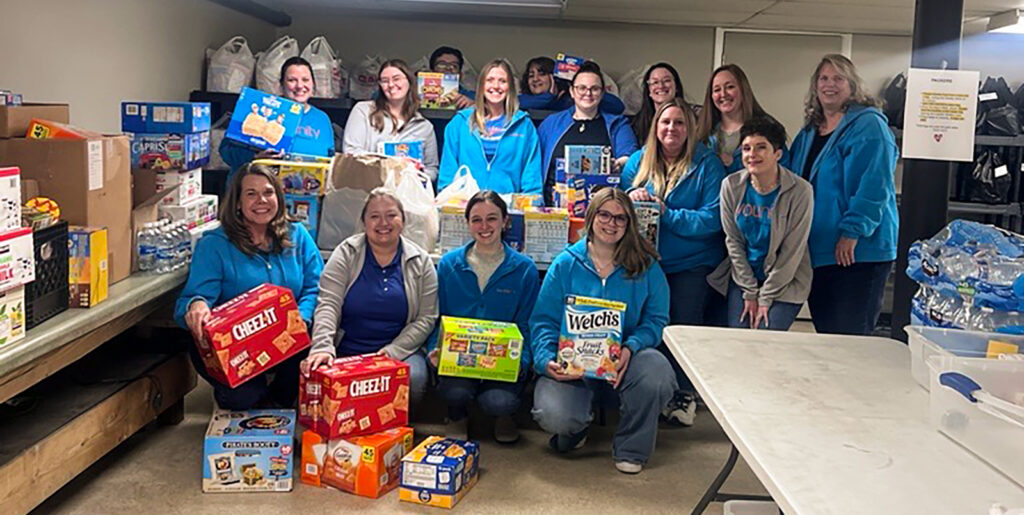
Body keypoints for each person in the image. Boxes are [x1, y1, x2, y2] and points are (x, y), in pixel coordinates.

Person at [530, 187, 675, 475]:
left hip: (626, 362)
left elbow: (657, 319)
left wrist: (631, 346)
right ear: (591, 217)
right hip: (574, 367)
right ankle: (575, 430)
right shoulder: (565, 264)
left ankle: (632, 448)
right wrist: (546, 360)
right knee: (555, 413)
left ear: (629, 223)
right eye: (604, 215)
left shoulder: (646, 266)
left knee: (657, 373)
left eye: (620, 218)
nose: (611, 223)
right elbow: (543, 321)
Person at [175, 163, 324, 410]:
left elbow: (316, 287)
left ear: (278, 197)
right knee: (244, 399)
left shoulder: (297, 235)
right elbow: (193, 299)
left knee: (289, 390)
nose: (261, 200)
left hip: (289, 338)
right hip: (237, 348)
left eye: (268, 192)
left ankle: (278, 401)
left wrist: (300, 318)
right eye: (251, 194)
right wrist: (197, 305)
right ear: (237, 202)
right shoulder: (214, 244)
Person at [621, 97, 726, 427]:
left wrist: (667, 214)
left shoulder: (708, 165)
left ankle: (683, 392)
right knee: (643, 324)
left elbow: (712, 220)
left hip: (691, 263)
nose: (672, 128)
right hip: (645, 262)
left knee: (682, 326)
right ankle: (645, 390)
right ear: (656, 127)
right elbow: (617, 209)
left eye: (679, 122)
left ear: (690, 128)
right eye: (666, 122)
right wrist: (631, 198)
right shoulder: (638, 162)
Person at [786, 54, 899, 336]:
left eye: (838, 78)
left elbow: (874, 185)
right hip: (820, 249)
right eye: (823, 78)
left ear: (852, 85)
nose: (830, 85)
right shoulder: (809, 132)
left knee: (850, 339)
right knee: (828, 335)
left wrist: (852, 231)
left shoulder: (869, 126)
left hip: (857, 251)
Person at [303, 188, 437, 404]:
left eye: (391, 215)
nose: (383, 223)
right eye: (374, 216)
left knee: (413, 380)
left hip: (400, 351)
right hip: (347, 349)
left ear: (403, 221)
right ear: (364, 222)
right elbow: (328, 304)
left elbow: (426, 318)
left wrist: (392, 352)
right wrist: (323, 346)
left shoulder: (421, 262)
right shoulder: (346, 253)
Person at [427, 191, 540, 443]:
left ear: (505, 221)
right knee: (455, 392)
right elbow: (437, 316)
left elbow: (527, 324)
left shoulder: (524, 269)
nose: (484, 226)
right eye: (476, 220)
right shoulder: (448, 265)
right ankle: (456, 415)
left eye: (492, 218)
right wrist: (435, 349)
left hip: (502, 361)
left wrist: (521, 362)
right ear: (467, 223)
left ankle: (504, 415)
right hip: (458, 358)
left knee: (500, 401)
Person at [707, 117, 813, 331]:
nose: (752, 154)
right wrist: (749, 291)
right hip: (744, 276)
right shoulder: (731, 186)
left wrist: (765, 297)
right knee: (738, 334)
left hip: (785, 279)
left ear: (778, 154)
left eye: (761, 147)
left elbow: (792, 252)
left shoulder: (800, 190)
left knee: (766, 334)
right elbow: (734, 242)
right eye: (746, 148)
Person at [537, 61, 638, 205]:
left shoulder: (617, 124)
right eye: (582, 88)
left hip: (601, 208)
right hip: (554, 207)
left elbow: (631, 157)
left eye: (594, 88)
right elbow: (533, 161)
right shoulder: (551, 123)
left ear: (602, 93)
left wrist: (617, 164)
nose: (588, 93)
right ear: (572, 91)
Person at [438, 59, 542, 195]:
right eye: (490, 80)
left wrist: (532, 202)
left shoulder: (524, 125)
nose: (496, 86)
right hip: (465, 204)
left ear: (510, 87)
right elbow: (447, 174)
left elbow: (532, 178)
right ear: (481, 85)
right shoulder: (459, 123)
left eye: (502, 81)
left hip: (508, 205)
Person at [220, 56, 336, 175]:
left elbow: (331, 159)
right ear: (281, 85)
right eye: (292, 80)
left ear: (313, 84)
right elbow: (226, 151)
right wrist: (255, 157)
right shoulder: (260, 109)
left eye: (305, 80)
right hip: (261, 184)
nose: (300, 85)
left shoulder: (322, 119)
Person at [343, 59, 440, 181]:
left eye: (396, 79)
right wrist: (388, 164)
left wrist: (417, 174)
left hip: (408, 190)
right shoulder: (363, 111)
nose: (390, 85)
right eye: (384, 81)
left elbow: (432, 169)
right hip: (368, 187)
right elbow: (350, 152)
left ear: (410, 81)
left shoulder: (425, 127)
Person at [695, 64, 778, 173]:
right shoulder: (702, 133)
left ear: (743, 89)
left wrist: (734, 165)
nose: (723, 94)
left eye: (730, 87)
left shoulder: (768, 129)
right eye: (717, 90)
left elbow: (781, 173)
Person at [518, 56, 626, 114]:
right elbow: (515, 103)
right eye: (531, 75)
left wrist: (583, 85)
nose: (535, 79)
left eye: (542, 74)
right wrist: (548, 97)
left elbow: (617, 107)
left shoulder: (569, 100)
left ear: (554, 76)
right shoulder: (524, 99)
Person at [630, 63, 687, 142]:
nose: (661, 86)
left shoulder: (691, 119)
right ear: (649, 90)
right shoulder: (636, 124)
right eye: (655, 82)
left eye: (667, 80)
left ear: (676, 86)